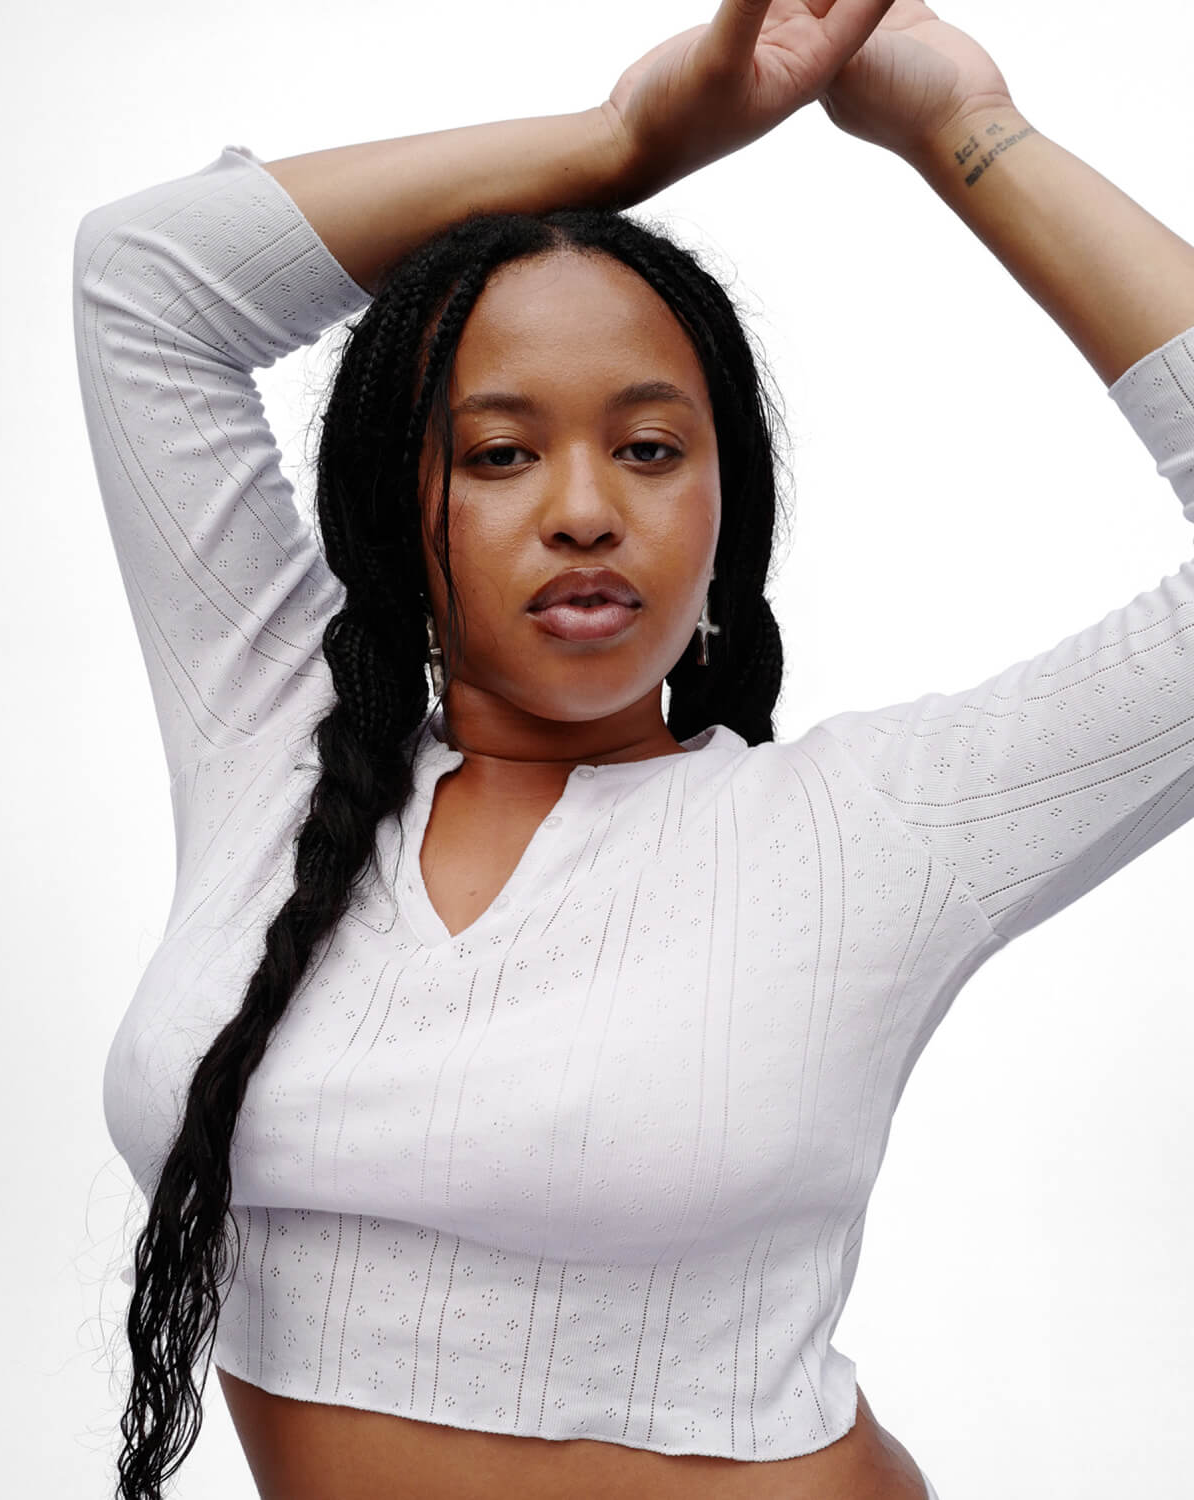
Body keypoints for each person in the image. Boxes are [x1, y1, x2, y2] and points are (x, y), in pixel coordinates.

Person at [71, 1, 1194, 1497]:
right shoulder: (276, 741)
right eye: (500, 450)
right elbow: (146, 282)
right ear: (395, 502)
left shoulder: (868, 826)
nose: (586, 507)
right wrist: (629, 142)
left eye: (651, 448)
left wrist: (962, 128)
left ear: (728, 507)